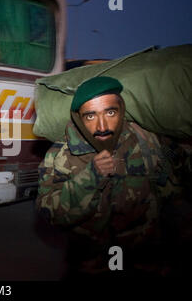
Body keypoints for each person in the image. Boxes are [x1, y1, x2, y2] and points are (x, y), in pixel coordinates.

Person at [35, 76, 190, 276]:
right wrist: (91, 177)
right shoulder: (61, 155)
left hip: (147, 256)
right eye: (90, 116)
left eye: (110, 112)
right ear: (78, 118)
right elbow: (50, 212)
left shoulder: (146, 139)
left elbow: (173, 187)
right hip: (93, 261)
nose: (102, 126)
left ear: (122, 110)